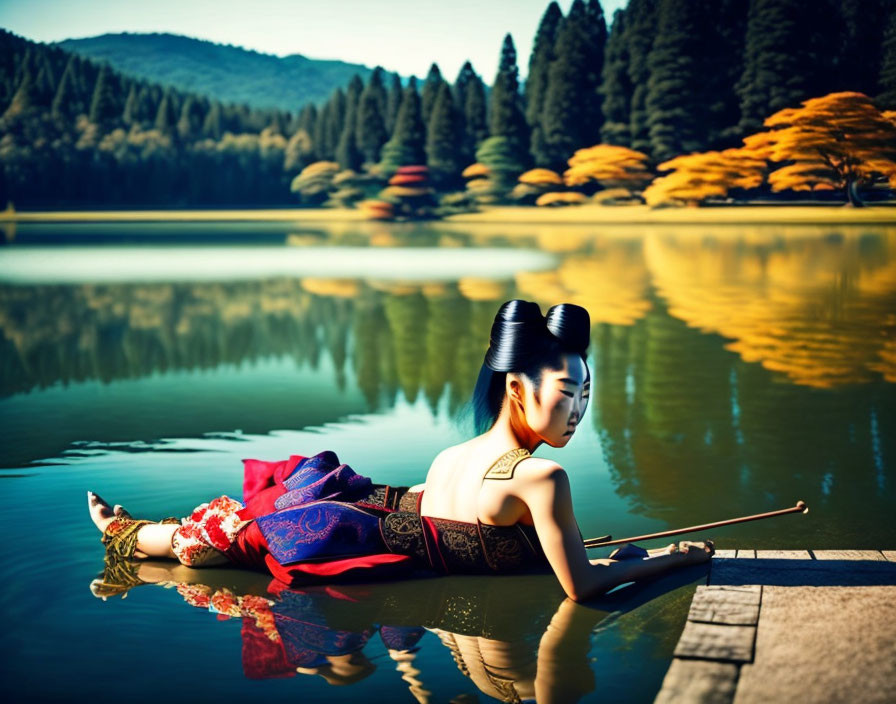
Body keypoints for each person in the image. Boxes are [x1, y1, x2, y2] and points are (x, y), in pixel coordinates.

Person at [88, 300, 712, 602]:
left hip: (341, 532)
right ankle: (127, 531)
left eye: (586, 394)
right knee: (231, 543)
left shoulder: (448, 459)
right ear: (517, 388)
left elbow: (460, 524)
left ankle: (128, 531)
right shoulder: (542, 479)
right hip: (339, 544)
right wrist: (668, 558)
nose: (578, 410)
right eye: (567, 392)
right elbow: (580, 588)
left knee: (233, 537)